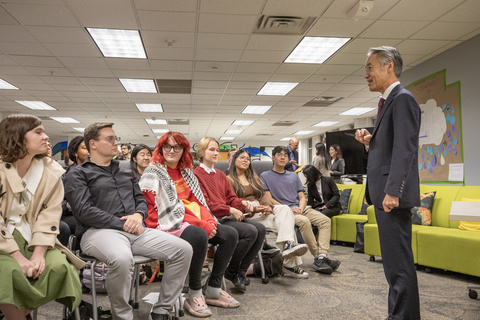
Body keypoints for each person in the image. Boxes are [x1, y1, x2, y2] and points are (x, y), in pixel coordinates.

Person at [64, 122, 192, 320]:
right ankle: (122, 316)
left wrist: (139, 216)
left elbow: (140, 200)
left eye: (117, 139)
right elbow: (83, 212)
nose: (117, 143)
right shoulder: (78, 174)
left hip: (134, 230)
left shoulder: (125, 172)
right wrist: (123, 223)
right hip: (97, 232)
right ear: (93, 144)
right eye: (110, 139)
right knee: (122, 259)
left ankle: (161, 311)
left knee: (183, 250)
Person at [139, 132, 240, 317]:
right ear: (160, 149)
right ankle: (194, 292)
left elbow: (198, 202)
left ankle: (213, 288)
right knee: (198, 235)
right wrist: (202, 225)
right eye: (167, 146)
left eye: (176, 147)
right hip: (163, 222)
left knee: (230, 234)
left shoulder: (186, 172)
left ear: (184, 150)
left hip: (190, 220)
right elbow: (166, 208)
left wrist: (208, 220)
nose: (171, 150)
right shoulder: (153, 172)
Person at [355, 46, 421, 320]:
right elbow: (393, 149)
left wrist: (393, 191)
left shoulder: (402, 99)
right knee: (393, 265)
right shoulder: (387, 102)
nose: (366, 74)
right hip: (384, 195)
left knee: (399, 265)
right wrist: (372, 143)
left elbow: (406, 149)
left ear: (389, 66)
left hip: (391, 197)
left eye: (370, 67)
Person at [0, 114, 83, 320]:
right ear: (17, 136)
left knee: (60, 267)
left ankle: (21, 312)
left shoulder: (51, 171)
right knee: (9, 272)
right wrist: (17, 257)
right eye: (38, 132)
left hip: (34, 237)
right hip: (4, 240)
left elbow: (50, 215)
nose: (46, 137)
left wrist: (38, 253)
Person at [194, 137, 266, 292]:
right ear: (201, 152)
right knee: (250, 231)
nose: (215, 153)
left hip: (225, 216)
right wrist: (230, 210)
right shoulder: (196, 175)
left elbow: (231, 198)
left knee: (260, 229)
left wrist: (242, 203)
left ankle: (238, 272)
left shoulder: (220, 174)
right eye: (211, 149)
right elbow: (205, 205)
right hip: (213, 219)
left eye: (217, 150)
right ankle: (232, 271)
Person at [260, 146, 341, 276]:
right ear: (273, 157)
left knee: (325, 220)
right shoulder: (265, 176)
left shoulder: (293, 175)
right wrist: (288, 209)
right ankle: (317, 256)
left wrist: (300, 208)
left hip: (300, 208)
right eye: (279, 155)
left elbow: (302, 197)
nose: (282, 157)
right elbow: (268, 199)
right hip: (283, 211)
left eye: (285, 155)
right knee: (304, 222)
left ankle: (321, 256)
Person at [227, 149, 308, 262]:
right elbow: (232, 201)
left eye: (248, 159)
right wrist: (254, 209)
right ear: (234, 160)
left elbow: (262, 195)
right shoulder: (229, 180)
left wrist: (267, 206)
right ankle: (292, 265)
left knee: (285, 211)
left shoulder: (253, 177)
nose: (246, 160)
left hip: (261, 210)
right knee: (285, 226)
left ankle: (289, 245)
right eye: (242, 158)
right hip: (247, 213)